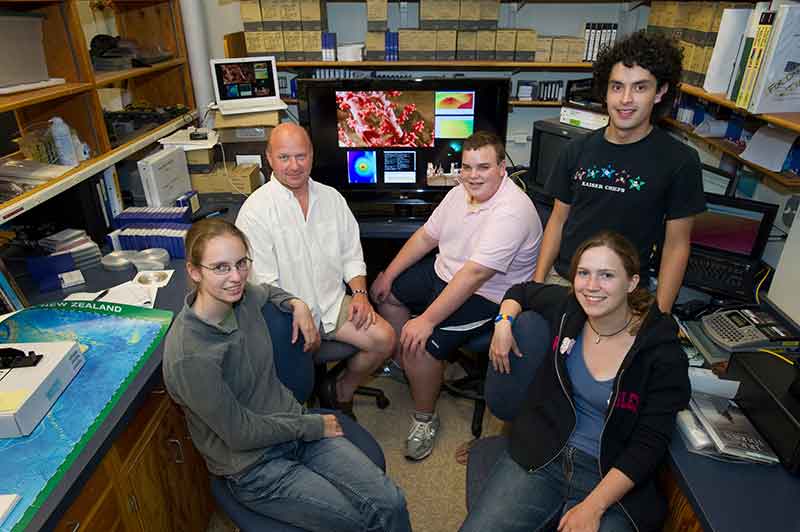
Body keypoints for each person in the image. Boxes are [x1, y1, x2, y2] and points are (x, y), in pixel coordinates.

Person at [162, 218, 411, 532]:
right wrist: (310, 425)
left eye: (241, 264)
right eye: (221, 268)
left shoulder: (242, 298)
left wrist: (296, 303)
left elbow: (266, 291)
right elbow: (239, 433)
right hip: (254, 465)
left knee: (391, 502)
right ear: (195, 271)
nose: (236, 277)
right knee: (359, 522)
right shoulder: (190, 355)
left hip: (294, 430)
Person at [461, 231, 690, 532]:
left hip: (608, 476)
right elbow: (522, 291)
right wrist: (503, 324)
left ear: (632, 283)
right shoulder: (569, 309)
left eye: (607, 275)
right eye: (583, 273)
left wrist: (594, 506)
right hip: (544, 455)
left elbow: (649, 444)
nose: (592, 287)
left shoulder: (662, 353)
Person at [371, 130, 543, 461]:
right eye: (467, 167)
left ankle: (424, 417)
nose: (473, 176)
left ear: (502, 168)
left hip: (488, 295)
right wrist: (388, 275)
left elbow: (475, 274)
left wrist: (426, 321)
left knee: (422, 342)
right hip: (446, 272)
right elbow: (425, 237)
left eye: (483, 167)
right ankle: (402, 362)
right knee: (388, 294)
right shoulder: (458, 193)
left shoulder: (512, 210)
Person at [533, 30, 705, 313]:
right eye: (617, 87)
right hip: (565, 282)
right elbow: (558, 220)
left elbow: (677, 246)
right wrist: (538, 284)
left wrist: (659, 315)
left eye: (640, 87)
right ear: (605, 91)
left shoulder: (680, 160)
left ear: (660, 91)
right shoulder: (576, 150)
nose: (625, 99)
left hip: (625, 295)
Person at [236, 123, 395, 419]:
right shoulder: (255, 211)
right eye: (284, 157)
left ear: (312, 155)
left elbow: (351, 254)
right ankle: (301, 420)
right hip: (286, 316)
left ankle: (342, 390)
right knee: (292, 388)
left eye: (301, 156)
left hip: (332, 304)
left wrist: (359, 293)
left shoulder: (332, 199)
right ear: (269, 158)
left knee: (385, 338)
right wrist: (299, 310)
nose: (294, 166)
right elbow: (263, 284)